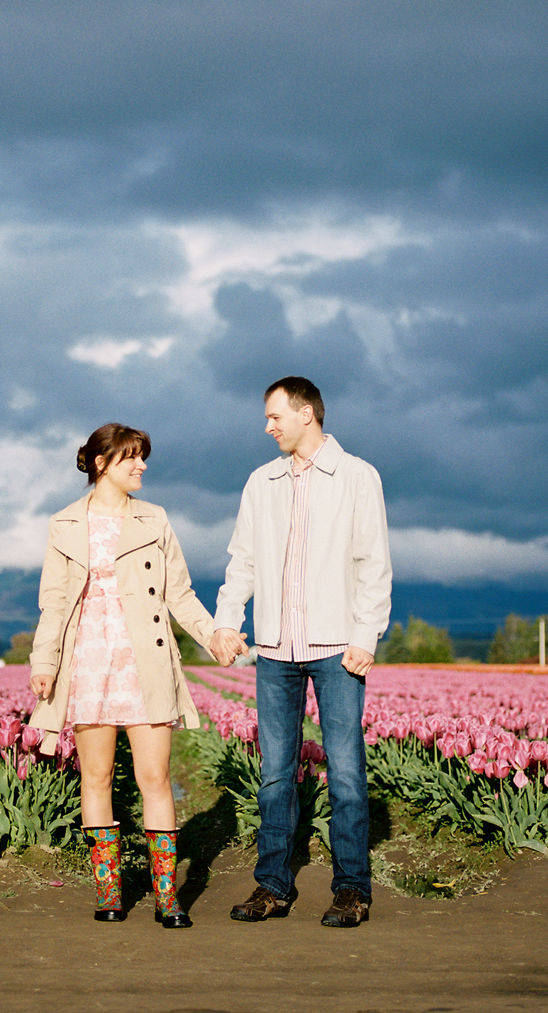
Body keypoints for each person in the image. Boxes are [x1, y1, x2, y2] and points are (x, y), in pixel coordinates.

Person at [28, 422, 228, 927]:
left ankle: (167, 898)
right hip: (87, 661)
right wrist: (44, 662)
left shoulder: (155, 519)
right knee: (95, 777)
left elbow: (179, 593)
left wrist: (214, 635)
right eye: (130, 458)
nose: (141, 466)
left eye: (143, 458)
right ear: (101, 463)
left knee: (154, 777)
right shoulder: (64, 524)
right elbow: (53, 603)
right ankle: (110, 895)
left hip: (146, 660)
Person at [210, 376, 393, 928]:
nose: (267, 427)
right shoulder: (260, 482)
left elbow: (373, 564)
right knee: (274, 774)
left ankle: (352, 890)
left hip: (338, 649)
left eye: (275, 417)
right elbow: (242, 561)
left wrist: (366, 635)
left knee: (345, 774)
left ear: (307, 413)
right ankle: (273, 886)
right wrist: (226, 623)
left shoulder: (357, 477)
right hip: (273, 649)